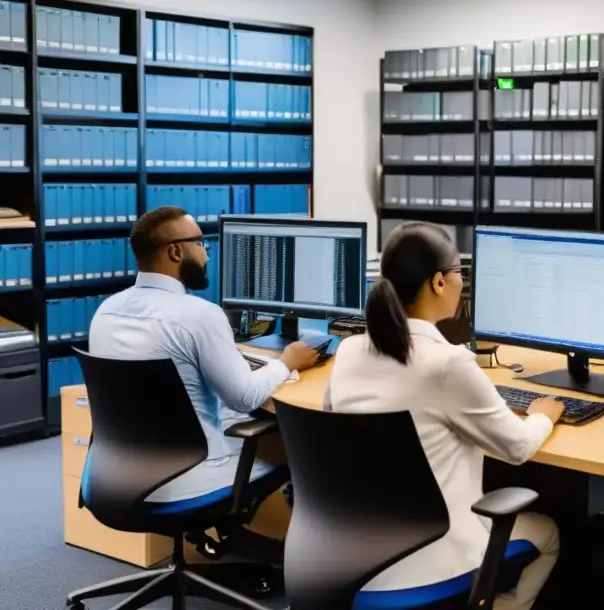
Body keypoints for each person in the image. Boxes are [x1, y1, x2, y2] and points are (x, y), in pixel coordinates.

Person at [327, 221, 563, 610]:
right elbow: (517, 448)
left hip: (355, 559)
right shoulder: (448, 364)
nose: (460, 282)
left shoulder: (350, 351)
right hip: (435, 562)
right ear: (439, 282)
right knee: (550, 535)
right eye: (459, 273)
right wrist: (543, 415)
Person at [88, 206, 320, 503]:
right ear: (175, 252)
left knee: (228, 414)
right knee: (301, 452)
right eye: (199, 243)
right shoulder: (199, 316)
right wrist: (288, 361)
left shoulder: (105, 312)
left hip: (117, 478)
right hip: (187, 478)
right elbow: (245, 397)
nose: (207, 253)